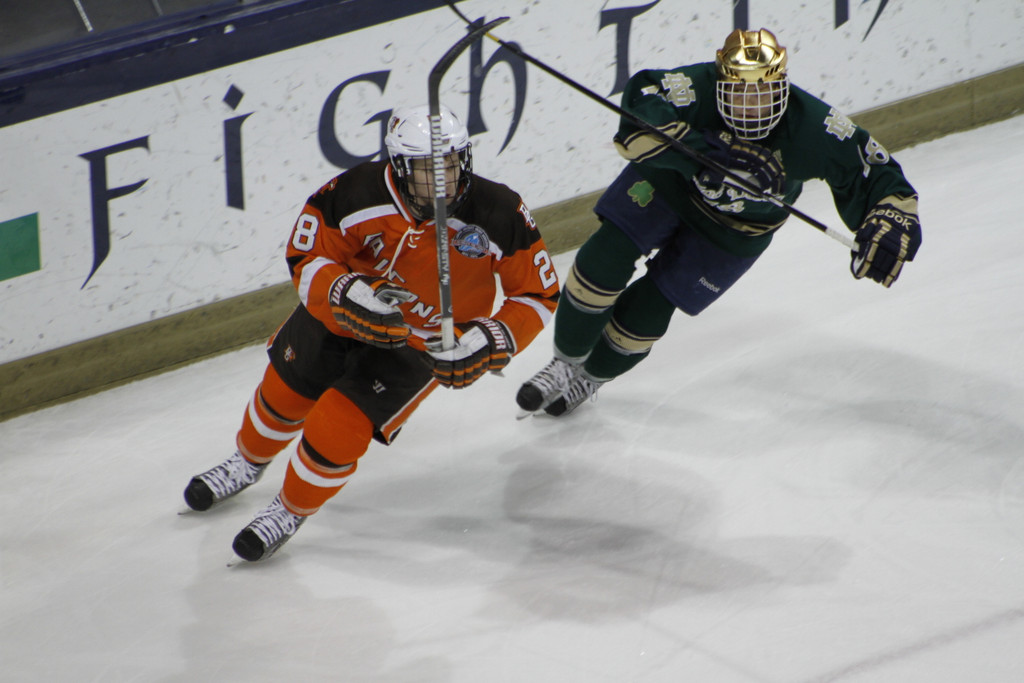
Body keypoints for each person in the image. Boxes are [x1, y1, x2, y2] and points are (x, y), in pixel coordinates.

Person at [183, 104, 560, 562]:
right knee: (283, 395)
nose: (441, 178)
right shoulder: (355, 192)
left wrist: (491, 338)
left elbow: (537, 295)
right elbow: (307, 256)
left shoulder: (499, 210)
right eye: (425, 168)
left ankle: (289, 509)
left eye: (450, 162)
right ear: (398, 166)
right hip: (340, 317)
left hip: (420, 345)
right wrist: (345, 292)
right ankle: (247, 462)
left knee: (337, 427)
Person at [516, 28, 922, 417]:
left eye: (764, 93)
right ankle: (565, 363)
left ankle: (588, 377)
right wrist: (705, 153)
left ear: (783, 88)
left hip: (738, 230)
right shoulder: (697, 85)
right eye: (740, 93)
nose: (753, 106)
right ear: (720, 82)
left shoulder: (812, 127)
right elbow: (641, 98)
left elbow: (876, 171)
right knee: (605, 257)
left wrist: (890, 220)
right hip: (669, 185)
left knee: (649, 312)